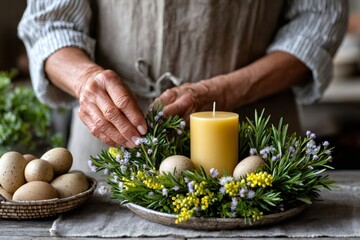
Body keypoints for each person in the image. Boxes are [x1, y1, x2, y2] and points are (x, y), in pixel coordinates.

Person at [18, 0, 348, 171]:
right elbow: (50, 22)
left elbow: (318, 21)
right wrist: (86, 79)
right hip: (113, 142)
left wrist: (225, 91)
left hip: (254, 141)